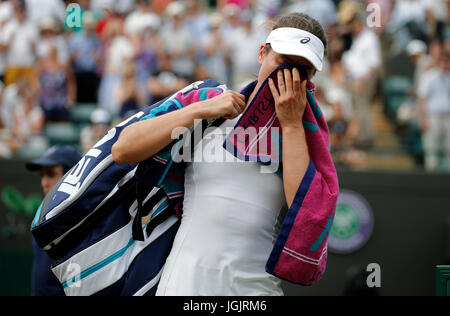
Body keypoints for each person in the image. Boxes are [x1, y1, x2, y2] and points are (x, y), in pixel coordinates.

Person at [112, 12, 334, 296]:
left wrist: (290, 125)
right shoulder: (208, 104)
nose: (287, 78)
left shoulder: (305, 137)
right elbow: (123, 148)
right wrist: (201, 110)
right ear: (261, 53)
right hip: (181, 286)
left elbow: (305, 214)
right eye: (282, 63)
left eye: (301, 71)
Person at [26, 145, 83, 296]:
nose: (43, 183)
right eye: (42, 175)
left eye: (50, 174)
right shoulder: (42, 217)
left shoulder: (85, 223)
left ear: (72, 177)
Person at [418, 51, 450, 171]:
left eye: (447, 62)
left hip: (448, 117)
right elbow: (422, 99)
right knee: (431, 150)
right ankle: (431, 176)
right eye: (442, 61)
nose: (444, 64)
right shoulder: (428, 76)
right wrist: (423, 119)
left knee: (448, 150)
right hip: (432, 116)